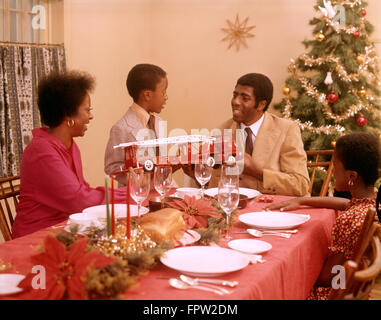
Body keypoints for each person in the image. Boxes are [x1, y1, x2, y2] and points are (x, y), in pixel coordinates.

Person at [265, 132, 380, 300]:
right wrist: (303, 200)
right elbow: (345, 203)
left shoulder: (351, 220)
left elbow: (328, 277)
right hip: (350, 289)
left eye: (334, 166)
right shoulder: (370, 202)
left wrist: (298, 271)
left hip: (330, 293)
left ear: (351, 176)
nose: (331, 171)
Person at [12, 71, 127, 238]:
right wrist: (127, 194)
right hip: (36, 236)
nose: (91, 116)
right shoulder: (41, 151)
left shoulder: (69, 145)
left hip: (66, 228)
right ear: (67, 115)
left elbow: (82, 192)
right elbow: (78, 200)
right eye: (87, 110)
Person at [208, 73, 310, 196]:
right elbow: (214, 190)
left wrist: (258, 172)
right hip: (236, 209)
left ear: (261, 105)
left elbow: (300, 185)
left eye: (244, 98)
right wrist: (195, 174)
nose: (235, 102)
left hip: (274, 210)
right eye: (235, 95)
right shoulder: (222, 131)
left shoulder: (286, 130)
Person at [104, 64, 169, 187]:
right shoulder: (121, 128)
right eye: (163, 91)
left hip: (162, 190)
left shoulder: (159, 122)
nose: (166, 97)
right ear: (147, 95)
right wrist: (137, 176)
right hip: (137, 194)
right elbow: (111, 167)